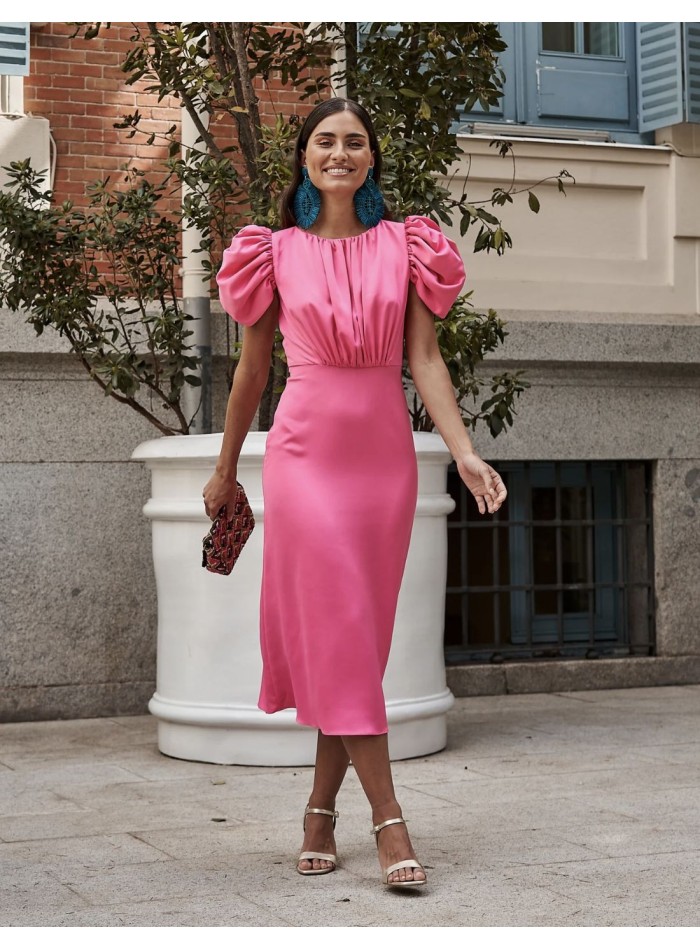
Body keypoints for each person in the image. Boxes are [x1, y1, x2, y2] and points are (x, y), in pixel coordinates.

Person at [202, 97, 507, 889]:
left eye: (355, 142)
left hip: (383, 461)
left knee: (354, 646)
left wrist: (464, 450)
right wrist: (227, 465)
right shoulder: (271, 252)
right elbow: (252, 372)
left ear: (371, 159)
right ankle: (391, 822)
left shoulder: (405, 246)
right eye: (325, 141)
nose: (340, 153)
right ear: (304, 158)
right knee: (340, 628)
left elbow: (427, 361)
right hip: (305, 456)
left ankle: (318, 809)